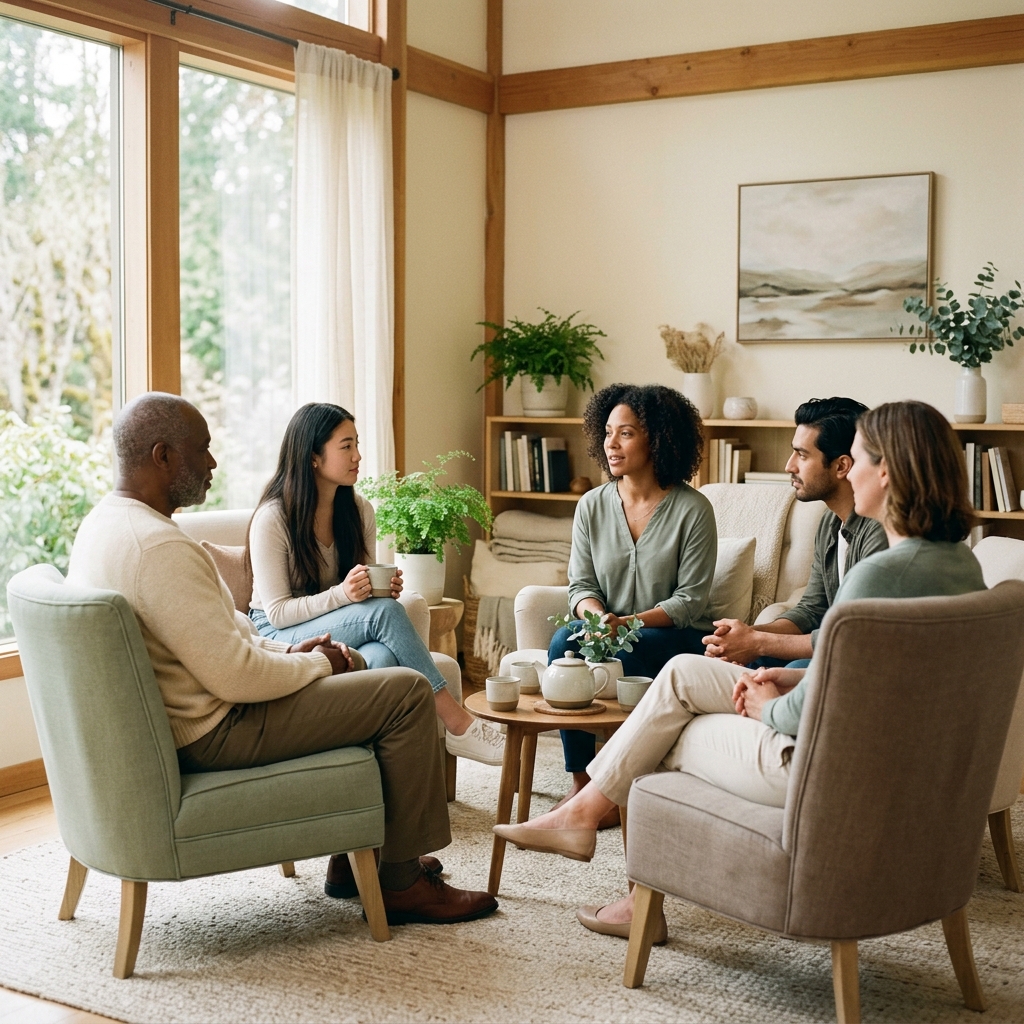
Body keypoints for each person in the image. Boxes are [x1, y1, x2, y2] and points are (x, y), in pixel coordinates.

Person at [495, 399, 983, 940]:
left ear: (881, 471)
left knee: (670, 732)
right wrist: (785, 670)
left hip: (821, 766)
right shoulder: (962, 568)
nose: (796, 466)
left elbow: (822, 692)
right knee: (680, 675)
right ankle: (585, 810)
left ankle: (632, 887)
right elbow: (869, 663)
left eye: (860, 458)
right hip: (890, 759)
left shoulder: (883, 574)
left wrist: (770, 700)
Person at [67, 392, 498, 925]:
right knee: (405, 693)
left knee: (382, 666)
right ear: (162, 456)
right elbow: (236, 674)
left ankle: (350, 858)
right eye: (202, 449)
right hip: (218, 728)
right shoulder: (160, 548)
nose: (213, 463)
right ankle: (401, 880)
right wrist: (320, 665)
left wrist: (293, 651)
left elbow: (232, 637)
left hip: (201, 713)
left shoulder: (107, 527)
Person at [246, 402, 504, 768]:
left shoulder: (359, 510)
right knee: (384, 614)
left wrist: (379, 589)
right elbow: (278, 612)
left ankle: (375, 769)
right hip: (278, 633)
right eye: (346, 446)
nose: (358, 456)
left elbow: (363, 598)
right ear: (314, 458)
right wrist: (347, 595)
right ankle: (458, 723)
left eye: (357, 444)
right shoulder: (274, 518)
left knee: (383, 656)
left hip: (332, 625)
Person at [549, 383, 717, 822]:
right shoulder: (591, 505)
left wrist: (630, 623)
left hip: (671, 636)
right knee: (562, 646)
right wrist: (599, 617)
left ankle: (607, 790)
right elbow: (579, 585)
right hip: (608, 629)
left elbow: (691, 601)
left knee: (637, 647)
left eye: (626, 433)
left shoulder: (693, 509)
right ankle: (582, 784)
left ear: (657, 438)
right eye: (607, 432)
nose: (611, 443)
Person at [703, 397, 888, 667]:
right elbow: (812, 609)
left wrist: (758, 642)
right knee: (726, 660)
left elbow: (857, 634)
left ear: (841, 466)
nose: (789, 465)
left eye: (802, 455)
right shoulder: (829, 523)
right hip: (833, 648)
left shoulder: (879, 531)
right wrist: (746, 636)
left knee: (791, 666)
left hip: (860, 660)